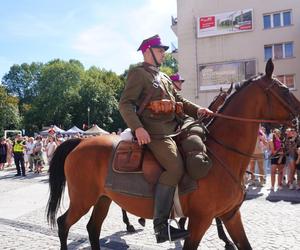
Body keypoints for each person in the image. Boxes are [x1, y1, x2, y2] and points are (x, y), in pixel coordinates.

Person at [119, 34, 212, 243]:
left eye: (163, 51)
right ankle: (161, 227)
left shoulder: (164, 76)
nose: (163, 54)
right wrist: (138, 128)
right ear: (147, 51)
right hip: (154, 132)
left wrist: (199, 110)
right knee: (175, 167)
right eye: (160, 50)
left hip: (174, 127)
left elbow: (179, 99)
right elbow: (125, 104)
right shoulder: (138, 74)